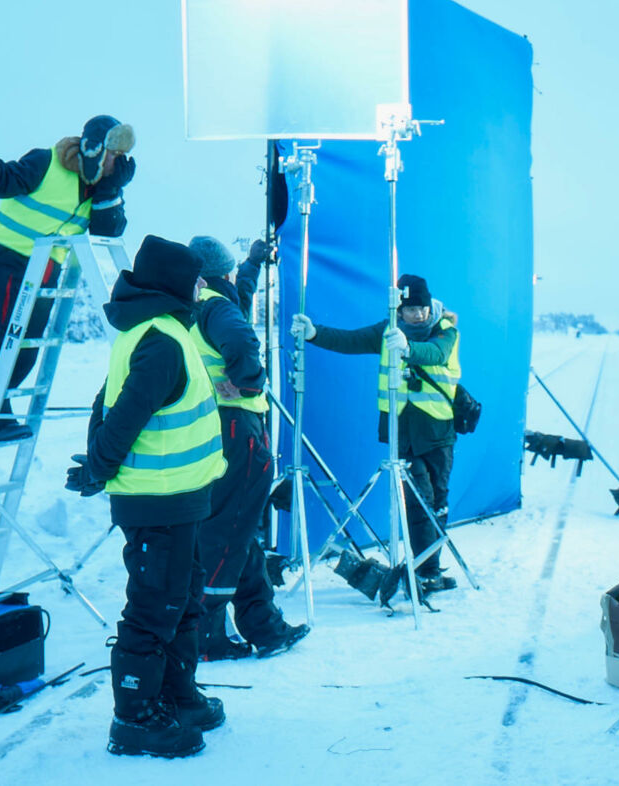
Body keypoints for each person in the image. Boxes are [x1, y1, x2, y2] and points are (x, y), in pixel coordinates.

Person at [64, 235, 227, 758]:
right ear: (174, 284)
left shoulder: (159, 331)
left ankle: (176, 695)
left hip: (179, 499)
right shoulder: (160, 339)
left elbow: (104, 399)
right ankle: (134, 717)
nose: (203, 287)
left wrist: (96, 462)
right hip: (156, 501)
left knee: (183, 599)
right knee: (156, 606)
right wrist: (97, 467)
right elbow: (125, 412)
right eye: (196, 279)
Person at [0, 116, 136, 447]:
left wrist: (110, 190)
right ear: (94, 149)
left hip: (44, 269)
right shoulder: (47, 161)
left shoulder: (99, 187)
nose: (119, 162)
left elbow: (109, 230)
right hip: (6, 257)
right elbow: (3, 180)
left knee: (26, 353)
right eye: (115, 155)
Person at [290, 274, 460, 594]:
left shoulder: (446, 331)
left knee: (437, 502)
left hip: (438, 433)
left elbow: (436, 353)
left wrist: (409, 347)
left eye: (422, 308)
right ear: (399, 307)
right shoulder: (386, 331)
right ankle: (425, 571)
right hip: (403, 433)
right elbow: (349, 340)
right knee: (418, 500)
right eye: (410, 310)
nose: (418, 315)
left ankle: (429, 569)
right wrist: (314, 333)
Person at [187, 236, 309, 660]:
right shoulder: (217, 307)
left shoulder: (195, 303)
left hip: (213, 428)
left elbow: (243, 291)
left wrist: (255, 261)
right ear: (220, 273)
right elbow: (240, 340)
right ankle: (207, 635)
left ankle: (265, 626)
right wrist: (250, 381)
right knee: (229, 529)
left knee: (240, 527)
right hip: (238, 427)